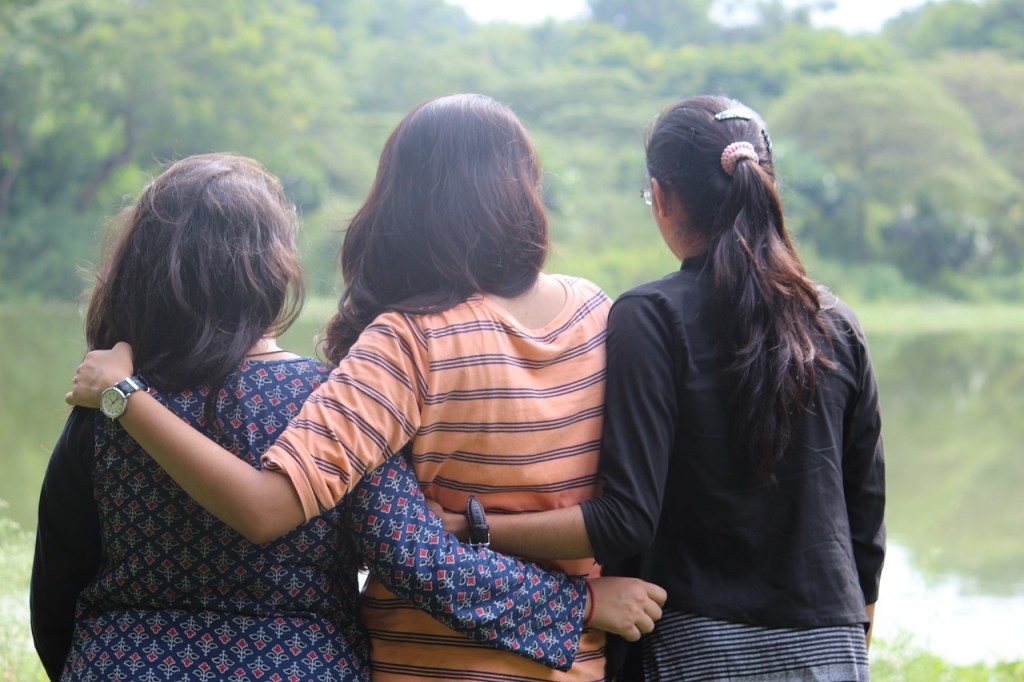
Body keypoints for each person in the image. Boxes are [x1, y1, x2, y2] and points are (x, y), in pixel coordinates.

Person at [63, 96, 666, 681]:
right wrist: (583, 605)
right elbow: (421, 548)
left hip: (422, 663)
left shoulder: (404, 346)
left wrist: (125, 395)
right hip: (565, 660)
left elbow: (266, 512)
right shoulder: (596, 311)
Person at [439, 95, 887, 680]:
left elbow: (625, 519)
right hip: (831, 647)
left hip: (695, 647)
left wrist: (472, 528)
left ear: (665, 197)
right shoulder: (838, 322)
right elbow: (866, 524)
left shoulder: (651, 316)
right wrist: (850, 641)